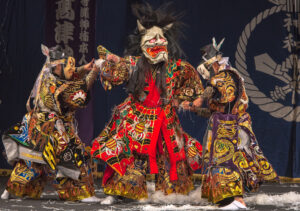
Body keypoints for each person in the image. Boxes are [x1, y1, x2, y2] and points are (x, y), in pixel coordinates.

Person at [91, 3, 203, 201]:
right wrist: (105, 65)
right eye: (152, 39)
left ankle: (173, 192)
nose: (157, 42)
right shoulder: (134, 64)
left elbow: (192, 84)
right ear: (143, 43)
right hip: (138, 118)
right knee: (133, 158)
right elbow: (117, 73)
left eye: (161, 39)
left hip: (166, 119)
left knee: (171, 161)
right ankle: (126, 190)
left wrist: (182, 99)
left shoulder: (177, 67)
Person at [182, 38, 279, 210]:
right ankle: (229, 199)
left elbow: (213, 89)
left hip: (230, 126)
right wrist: (192, 108)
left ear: (212, 65)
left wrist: (198, 100)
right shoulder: (226, 78)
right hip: (227, 124)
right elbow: (213, 111)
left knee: (226, 161)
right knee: (230, 161)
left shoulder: (226, 76)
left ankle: (237, 200)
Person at [1, 45, 100, 202]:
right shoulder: (55, 85)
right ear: (57, 66)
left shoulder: (49, 76)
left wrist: (84, 68)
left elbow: (70, 75)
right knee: (73, 156)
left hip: (42, 125)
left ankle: (11, 190)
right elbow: (77, 91)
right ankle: (80, 193)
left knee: (33, 162)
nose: (71, 69)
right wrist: (94, 72)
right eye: (66, 65)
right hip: (49, 128)